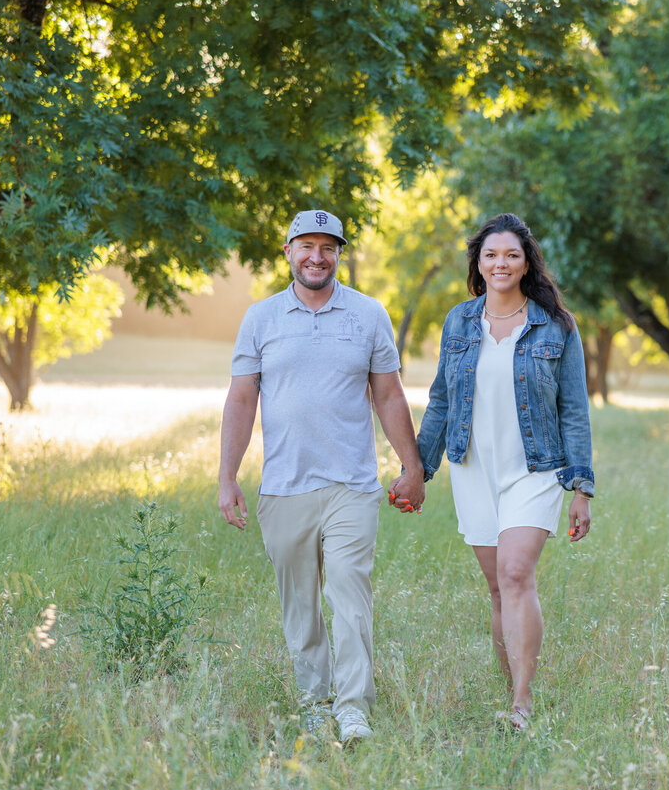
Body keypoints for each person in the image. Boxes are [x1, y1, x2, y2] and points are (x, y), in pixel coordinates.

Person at [218, 209, 425, 744]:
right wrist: (227, 477)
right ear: (287, 252)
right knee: (300, 606)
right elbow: (242, 398)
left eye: (327, 247)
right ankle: (314, 703)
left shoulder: (368, 314)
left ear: (339, 254)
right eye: (306, 245)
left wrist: (413, 465)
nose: (317, 256)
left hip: (351, 486)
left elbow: (389, 393)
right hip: (284, 487)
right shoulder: (261, 318)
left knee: (350, 596)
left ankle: (353, 709)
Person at [390, 212, 594, 732]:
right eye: (490, 255)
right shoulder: (459, 321)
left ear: (527, 264)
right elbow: (439, 401)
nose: (500, 263)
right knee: (497, 589)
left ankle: (523, 703)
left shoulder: (556, 326)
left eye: (511, 255)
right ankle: (512, 693)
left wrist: (581, 487)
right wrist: (418, 469)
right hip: (473, 467)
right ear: (478, 264)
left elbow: (574, 409)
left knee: (516, 573)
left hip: (536, 468)